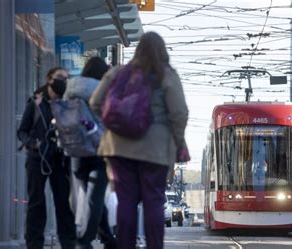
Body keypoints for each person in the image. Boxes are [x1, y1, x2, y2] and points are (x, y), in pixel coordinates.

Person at [90, 32, 189, 249]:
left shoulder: (118, 73)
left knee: (126, 200)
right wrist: (178, 141)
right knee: (153, 201)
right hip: (155, 150)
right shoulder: (167, 75)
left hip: (118, 148)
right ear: (162, 51)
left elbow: (96, 103)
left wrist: (114, 128)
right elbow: (179, 113)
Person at [17, 67, 76, 249]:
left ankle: (68, 243)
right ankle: (34, 244)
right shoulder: (36, 102)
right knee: (36, 202)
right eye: (60, 78)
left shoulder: (69, 103)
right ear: (49, 79)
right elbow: (22, 131)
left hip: (61, 159)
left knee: (63, 203)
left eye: (67, 78)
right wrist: (33, 143)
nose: (64, 81)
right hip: (38, 158)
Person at [62, 57, 116, 249]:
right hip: (98, 150)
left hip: (75, 150)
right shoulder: (103, 92)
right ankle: (84, 241)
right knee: (95, 199)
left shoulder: (70, 90)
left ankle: (109, 240)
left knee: (92, 197)